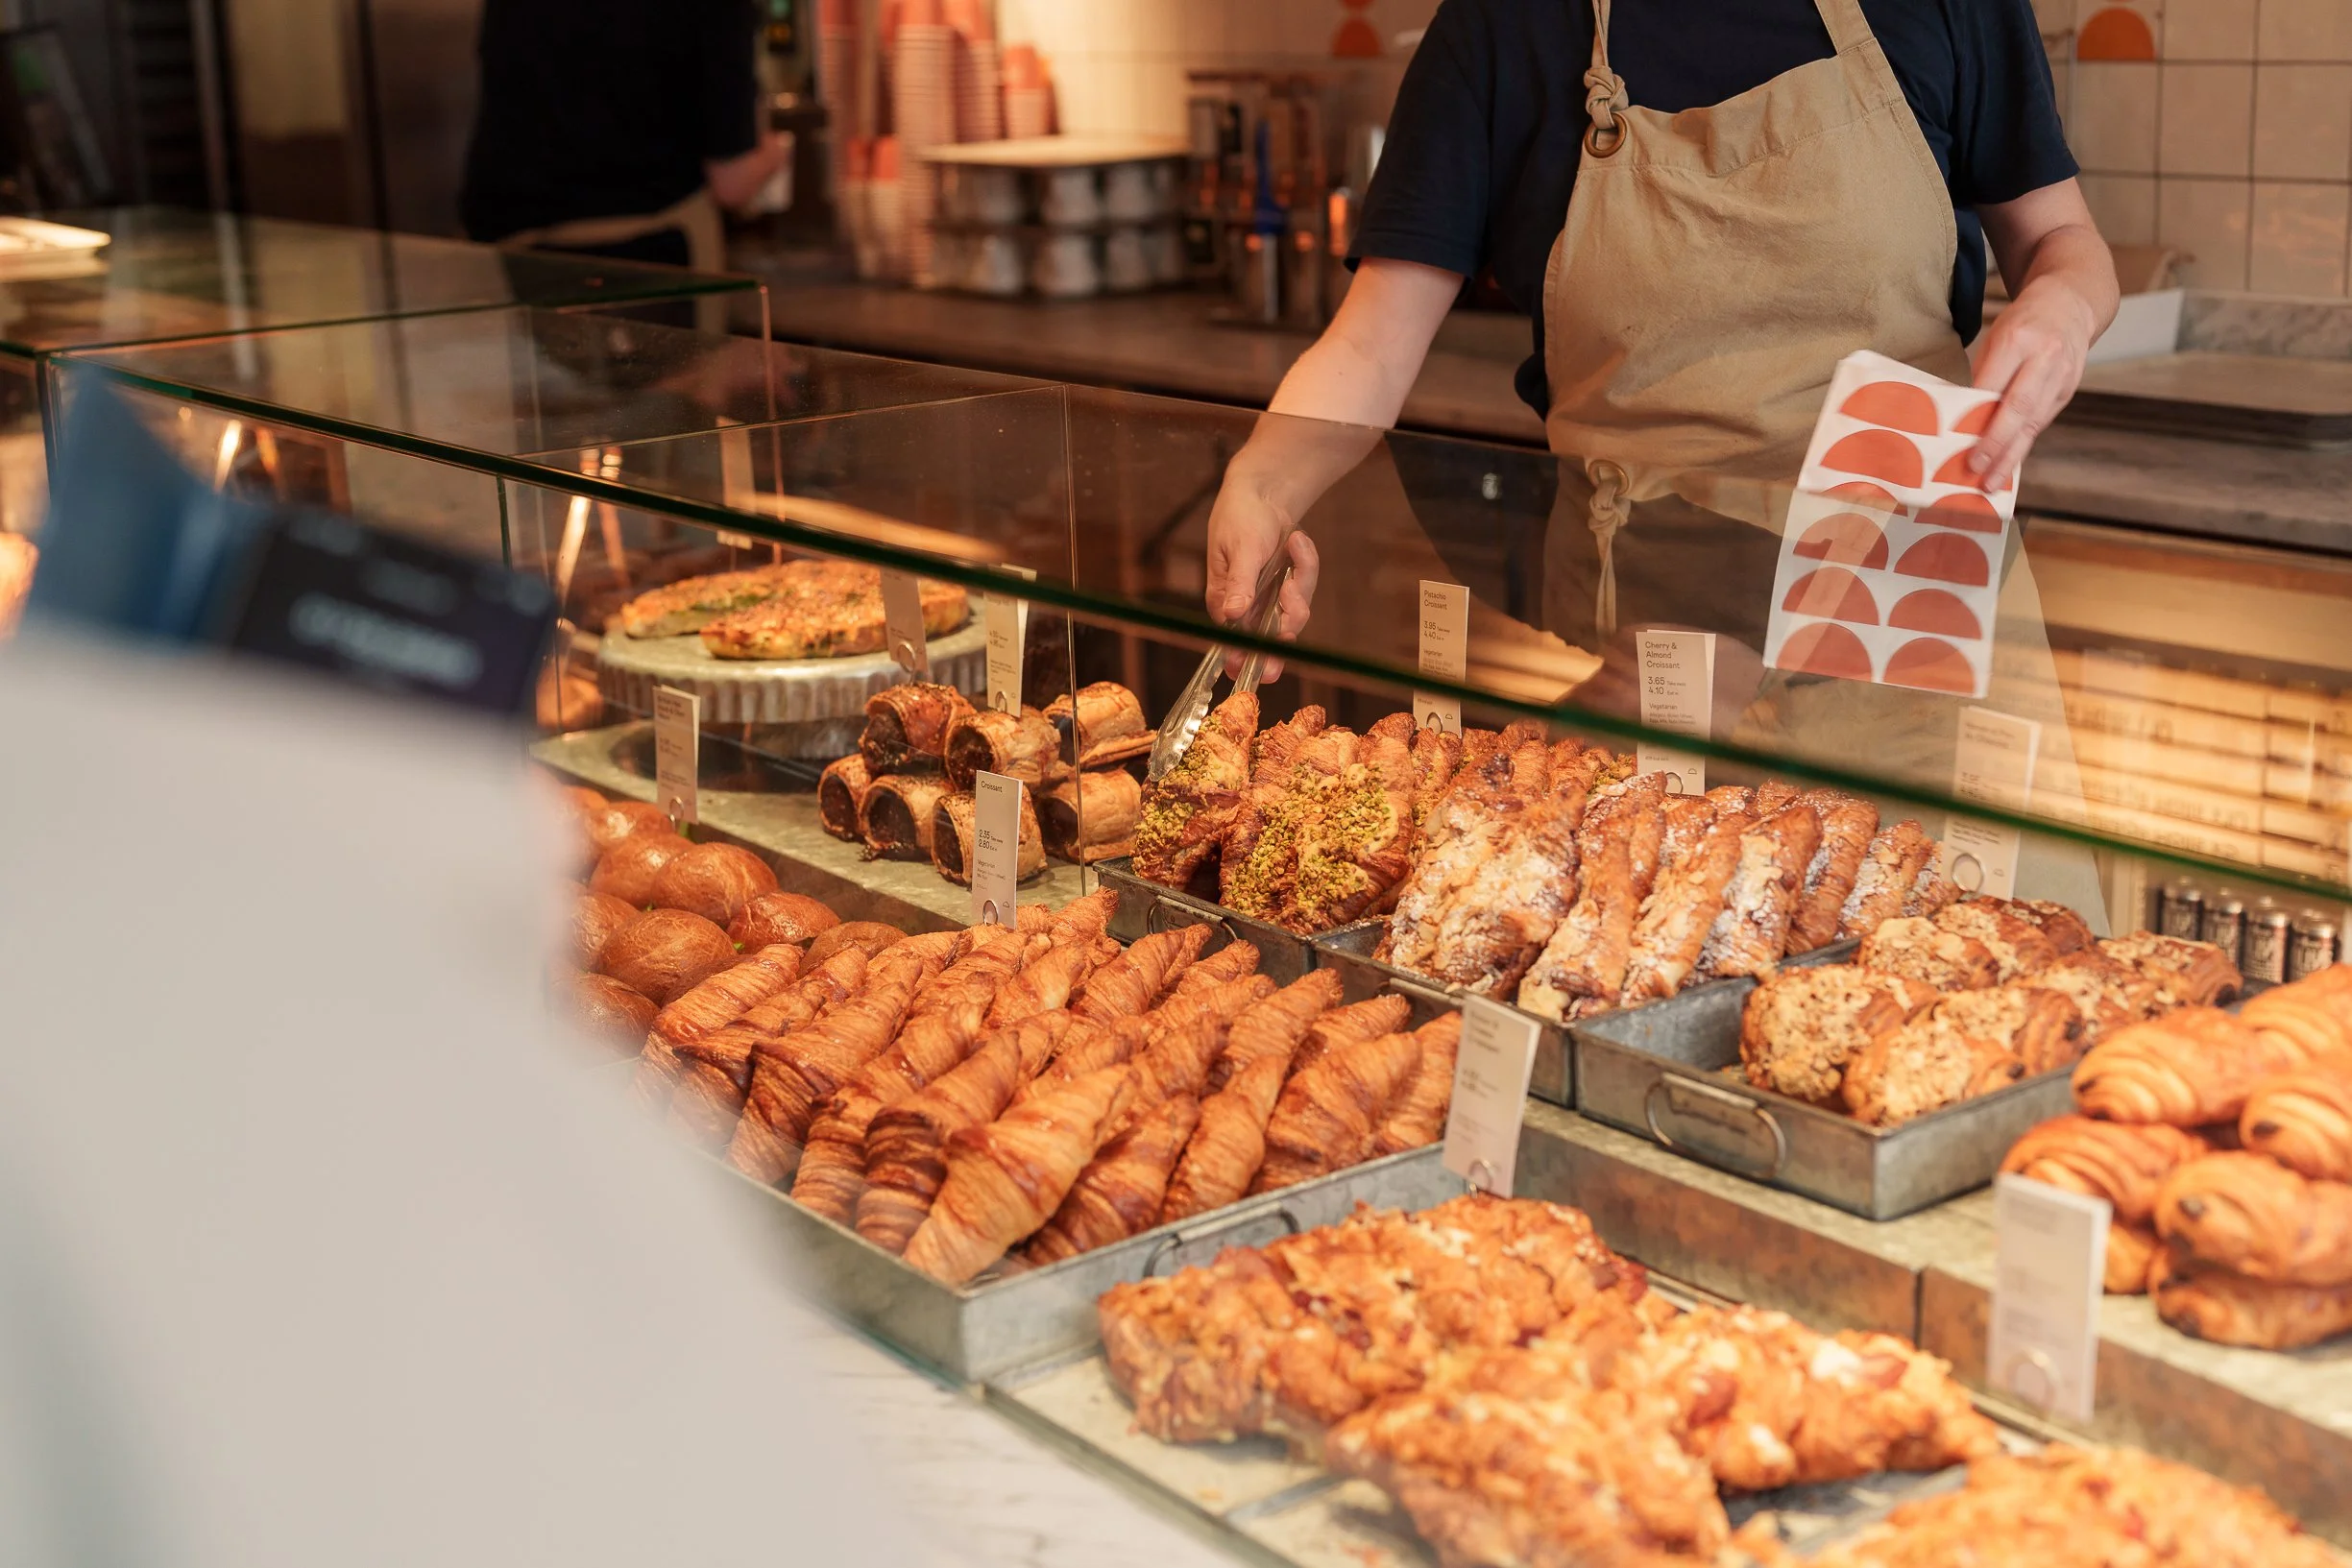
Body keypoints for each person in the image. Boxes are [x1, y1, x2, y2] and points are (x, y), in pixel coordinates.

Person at [1205, 0, 2119, 662]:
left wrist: (2060, 309)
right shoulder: (1503, 27)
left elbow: (2063, 243)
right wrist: (1262, 483)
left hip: (1913, 616)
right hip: (1648, 640)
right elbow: (1368, 347)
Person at [460, 0, 792, 271]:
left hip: (517, 258)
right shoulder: (717, 9)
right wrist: (774, 152)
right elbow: (731, 183)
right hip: (657, 260)